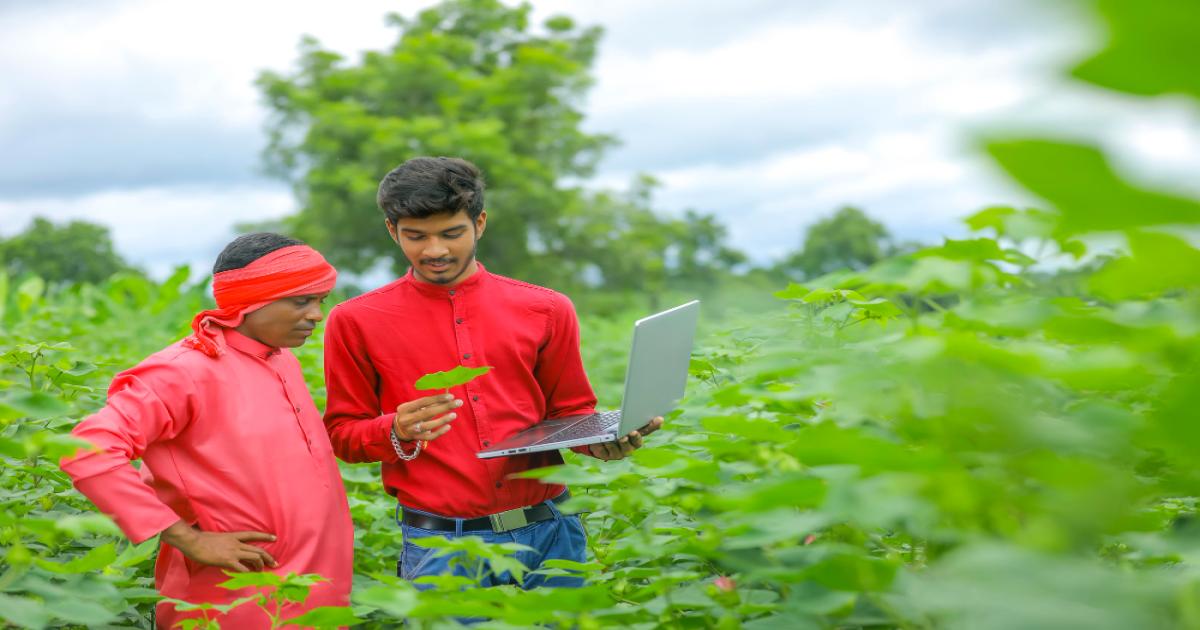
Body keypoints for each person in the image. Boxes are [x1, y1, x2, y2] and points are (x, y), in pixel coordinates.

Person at [323, 156, 662, 588]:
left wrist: (602, 441)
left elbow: (571, 412)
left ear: (479, 223)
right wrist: (397, 428)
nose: (436, 251)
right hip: (441, 549)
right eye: (416, 236)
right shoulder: (356, 320)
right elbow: (342, 435)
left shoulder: (547, 308)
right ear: (392, 230)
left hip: (552, 535)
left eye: (452, 233)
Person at [60, 233, 353, 629]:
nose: (317, 314)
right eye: (301, 300)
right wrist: (189, 539)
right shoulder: (185, 370)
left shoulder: (282, 360)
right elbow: (87, 448)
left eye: (321, 299)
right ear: (251, 301)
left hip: (316, 595)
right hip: (232, 602)